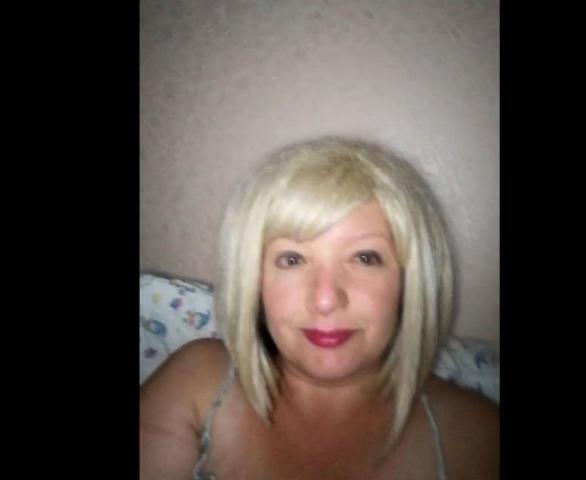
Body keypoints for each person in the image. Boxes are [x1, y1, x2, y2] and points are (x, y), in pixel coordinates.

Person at [140, 138, 499, 479]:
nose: (326, 300)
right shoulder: (195, 383)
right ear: (253, 279)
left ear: (409, 280)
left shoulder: (477, 438)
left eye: (364, 257)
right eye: (292, 259)